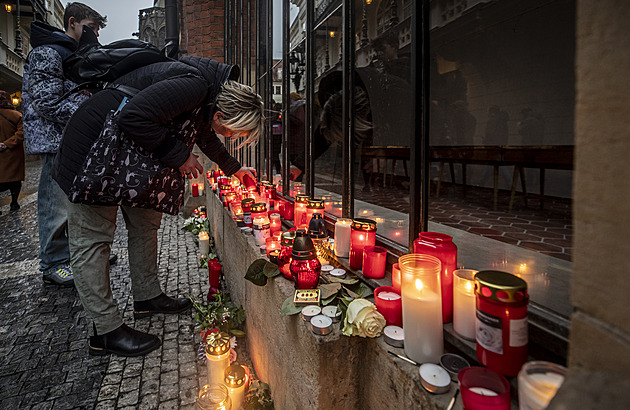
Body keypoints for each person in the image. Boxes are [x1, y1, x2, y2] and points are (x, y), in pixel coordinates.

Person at [53, 54, 264, 357]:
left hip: (126, 154)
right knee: (93, 238)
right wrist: (179, 156)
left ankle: (147, 297)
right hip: (93, 152)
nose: (230, 138)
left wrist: (235, 168)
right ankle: (105, 331)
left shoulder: (205, 100)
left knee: (145, 223)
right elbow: (133, 116)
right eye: (234, 133)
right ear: (221, 115)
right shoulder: (194, 87)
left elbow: (204, 135)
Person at [22, 2, 107, 287]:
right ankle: (53, 263)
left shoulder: (70, 52)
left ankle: (73, 256)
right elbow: (47, 103)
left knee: (73, 202)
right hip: (54, 140)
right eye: (90, 28)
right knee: (54, 204)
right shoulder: (48, 52)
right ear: (72, 22)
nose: (94, 34)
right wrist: (89, 109)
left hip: (69, 138)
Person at [0, 90, 25, 214]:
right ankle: (14, 202)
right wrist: (7, 143)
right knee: (14, 179)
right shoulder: (16, 115)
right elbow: (22, 133)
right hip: (12, 153)